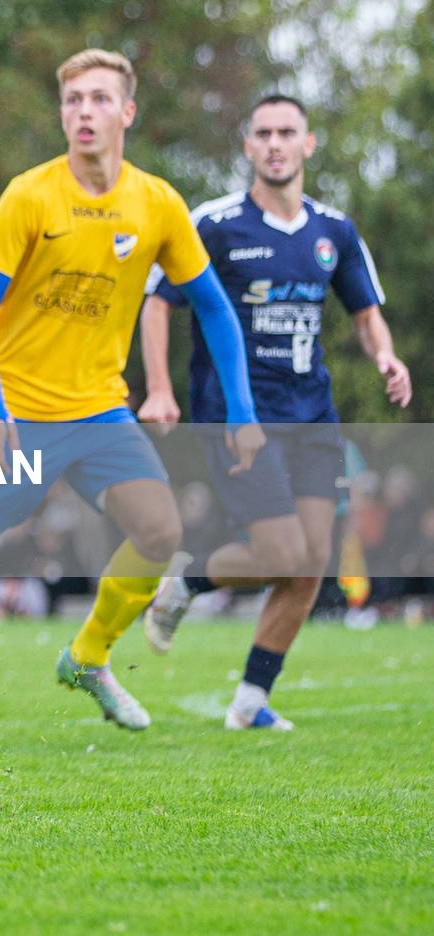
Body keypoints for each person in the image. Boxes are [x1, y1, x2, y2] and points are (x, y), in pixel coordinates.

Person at [0, 49, 265, 755]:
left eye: (99, 98)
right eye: (73, 100)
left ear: (128, 113)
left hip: (100, 413)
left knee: (159, 533)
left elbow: (215, 310)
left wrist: (242, 414)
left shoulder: (158, 203)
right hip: (15, 413)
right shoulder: (30, 195)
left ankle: (89, 656)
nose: (84, 112)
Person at [138, 93, 411, 729]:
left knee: (311, 562)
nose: (275, 143)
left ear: (307, 144)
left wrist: (386, 356)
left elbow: (365, 313)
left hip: (312, 416)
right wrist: (159, 387)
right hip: (238, 416)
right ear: (248, 147)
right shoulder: (215, 224)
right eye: (263, 133)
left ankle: (250, 702)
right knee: (283, 551)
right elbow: (158, 300)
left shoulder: (334, 231)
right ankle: (186, 583)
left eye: (287, 132)